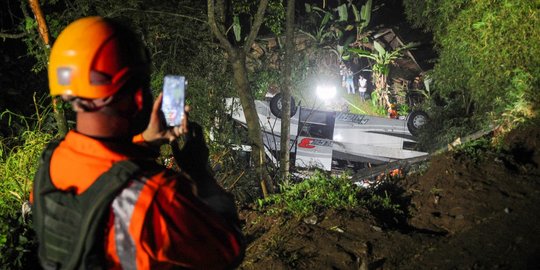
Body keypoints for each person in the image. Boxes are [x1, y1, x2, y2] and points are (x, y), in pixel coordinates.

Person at [31, 17, 244, 269]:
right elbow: (228, 249)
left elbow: (102, 175)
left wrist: (146, 141)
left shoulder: (51, 164)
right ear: (137, 94)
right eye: (142, 83)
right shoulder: (155, 197)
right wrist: (199, 172)